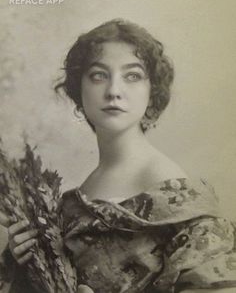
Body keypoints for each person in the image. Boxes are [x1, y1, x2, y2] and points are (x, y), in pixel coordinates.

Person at [0, 19, 236, 293]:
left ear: (152, 92)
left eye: (132, 76)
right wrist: (25, 262)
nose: (114, 91)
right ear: (79, 91)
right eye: (99, 75)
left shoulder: (171, 190)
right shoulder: (73, 200)